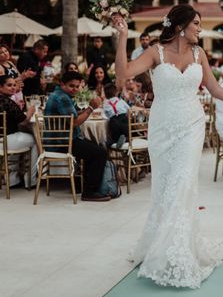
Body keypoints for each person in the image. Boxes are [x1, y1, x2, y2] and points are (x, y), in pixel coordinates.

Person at [112, 4, 223, 288]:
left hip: (192, 126)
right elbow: (123, 74)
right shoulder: (155, 52)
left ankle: (178, 253)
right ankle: (158, 245)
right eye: (197, 25)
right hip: (163, 128)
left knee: (182, 184)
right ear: (181, 26)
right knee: (165, 187)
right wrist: (122, 36)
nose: (200, 30)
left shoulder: (198, 54)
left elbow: (215, 90)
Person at [44, 71, 108, 202]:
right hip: (62, 143)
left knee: (95, 148)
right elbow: (75, 122)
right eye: (71, 86)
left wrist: (84, 110)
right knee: (100, 152)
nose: (75, 89)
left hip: (62, 140)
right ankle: (90, 191)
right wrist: (91, 107)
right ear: (62, 84)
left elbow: (71, 115)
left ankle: (84, 186)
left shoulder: (60, 94)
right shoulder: (62, 98)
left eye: (77, 86)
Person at [0, 75, 39, 188]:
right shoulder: (7, 102)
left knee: (19, 138)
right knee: (36, 140)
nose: (13, 87)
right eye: (9, 85)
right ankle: (30, 180)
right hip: (6, 140)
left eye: (14, 85)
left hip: (4, 139)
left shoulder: (6, 101)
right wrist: (30, 111)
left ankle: (13, 180)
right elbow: (24, 122)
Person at [0, 44, 34, 109]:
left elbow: (18, 76)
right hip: (9, 95)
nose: (5, 53)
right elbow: (4, 84)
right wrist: (21, 78)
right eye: (1, 52)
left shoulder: (10, 63)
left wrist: (25, 75)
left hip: (18, 92)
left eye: (6, 51)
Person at [102, 83, 130, 148]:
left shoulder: (105, 104)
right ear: (116, 93)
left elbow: (105, 115)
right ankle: (126, 138)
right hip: (124, 120)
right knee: (126, 132)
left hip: (114, 121)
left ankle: (113, 141)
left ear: (105, 95)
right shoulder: (121, 101)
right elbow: (129, 110)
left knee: (114, 134)